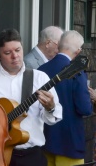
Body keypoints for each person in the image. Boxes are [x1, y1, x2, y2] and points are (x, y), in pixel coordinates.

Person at [0, 28, 62, 166]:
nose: (15, 56)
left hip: (33, 157)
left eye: (18, 50)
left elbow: (52, 120)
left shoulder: (40, 78)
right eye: (8, 53)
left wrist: (51, 108)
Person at [38, 30, 93, 166]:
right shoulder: (77, 72)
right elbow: (84, 109)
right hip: (70, 142)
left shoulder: (40, 69)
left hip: (46, 139)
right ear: (78, 51)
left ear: (58, 46)